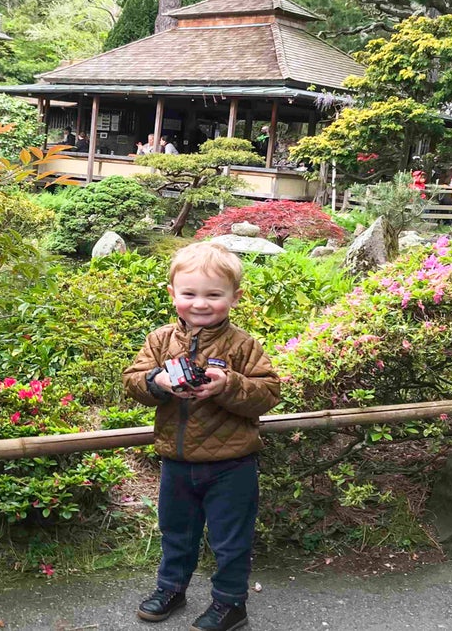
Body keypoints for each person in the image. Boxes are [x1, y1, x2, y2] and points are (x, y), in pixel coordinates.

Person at [123, 242, 281, 631]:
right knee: (177, 532)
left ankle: (230, 604)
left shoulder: (243, 345)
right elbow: (132, 382)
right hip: (176, 462)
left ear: (234, 297)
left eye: (214, 295)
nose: (200, 303)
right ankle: (171, 588)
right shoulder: (160, 340)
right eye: (189, 293)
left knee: (230, 541)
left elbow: (269, 393)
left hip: (232, 464)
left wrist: (227, 385)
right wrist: (157, 381)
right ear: (172, 293)